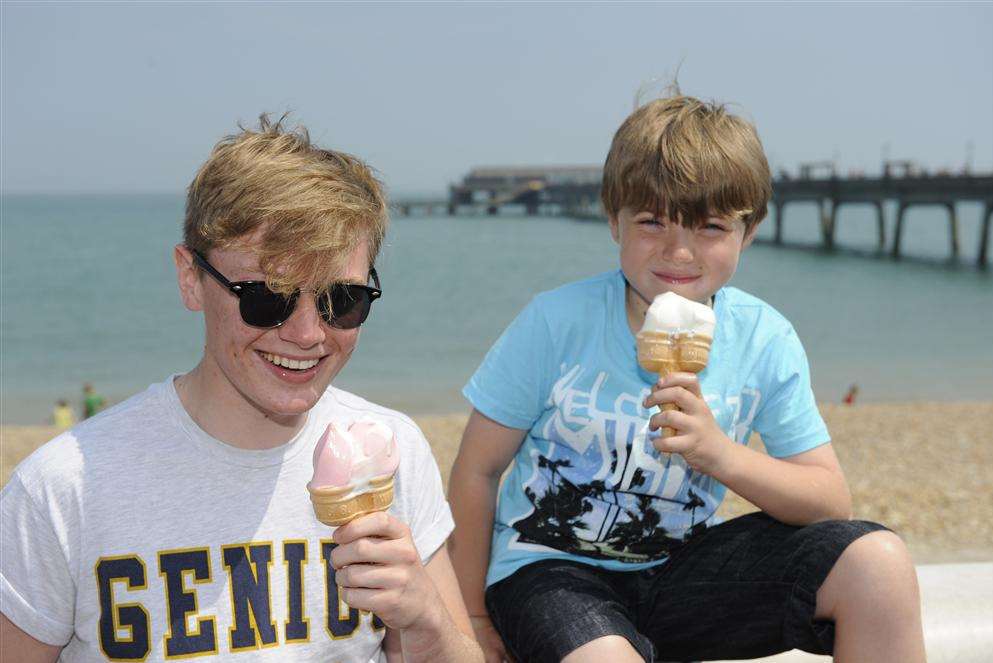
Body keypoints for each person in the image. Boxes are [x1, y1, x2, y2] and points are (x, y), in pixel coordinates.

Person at [448, 94, 925, 663]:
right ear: (612, 217)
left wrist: (720, 454)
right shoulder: (556, 323)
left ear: (748, 233)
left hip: (683, 571)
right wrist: (469, 618)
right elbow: (477, 470)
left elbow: (828, 500)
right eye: (651, 221)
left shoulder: (763, 339)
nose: (679, 250)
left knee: (878, 563)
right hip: (550, 572)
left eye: (710, 227)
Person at [1, 117, 482, 663]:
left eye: (342, 300)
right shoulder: (62, 490)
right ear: (191, 278)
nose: (306, 334)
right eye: (266, 299)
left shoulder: (395, 448)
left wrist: (426, 621)